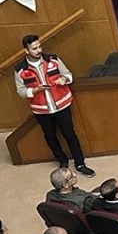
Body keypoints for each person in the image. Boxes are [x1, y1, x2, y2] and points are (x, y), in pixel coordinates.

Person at [14, 34, 94, 176]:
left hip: (62, 105)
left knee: (70, 135)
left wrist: (64, 79)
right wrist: (34, 90)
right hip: (41, 110)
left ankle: (80, 163)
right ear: (26, 51)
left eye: (39, 47)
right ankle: (62, 162)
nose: (38, 50)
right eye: (34, 48)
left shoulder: (54, 60)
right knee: (50, 137)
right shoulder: (20, 69)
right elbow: (20, 91)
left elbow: (69, 74)